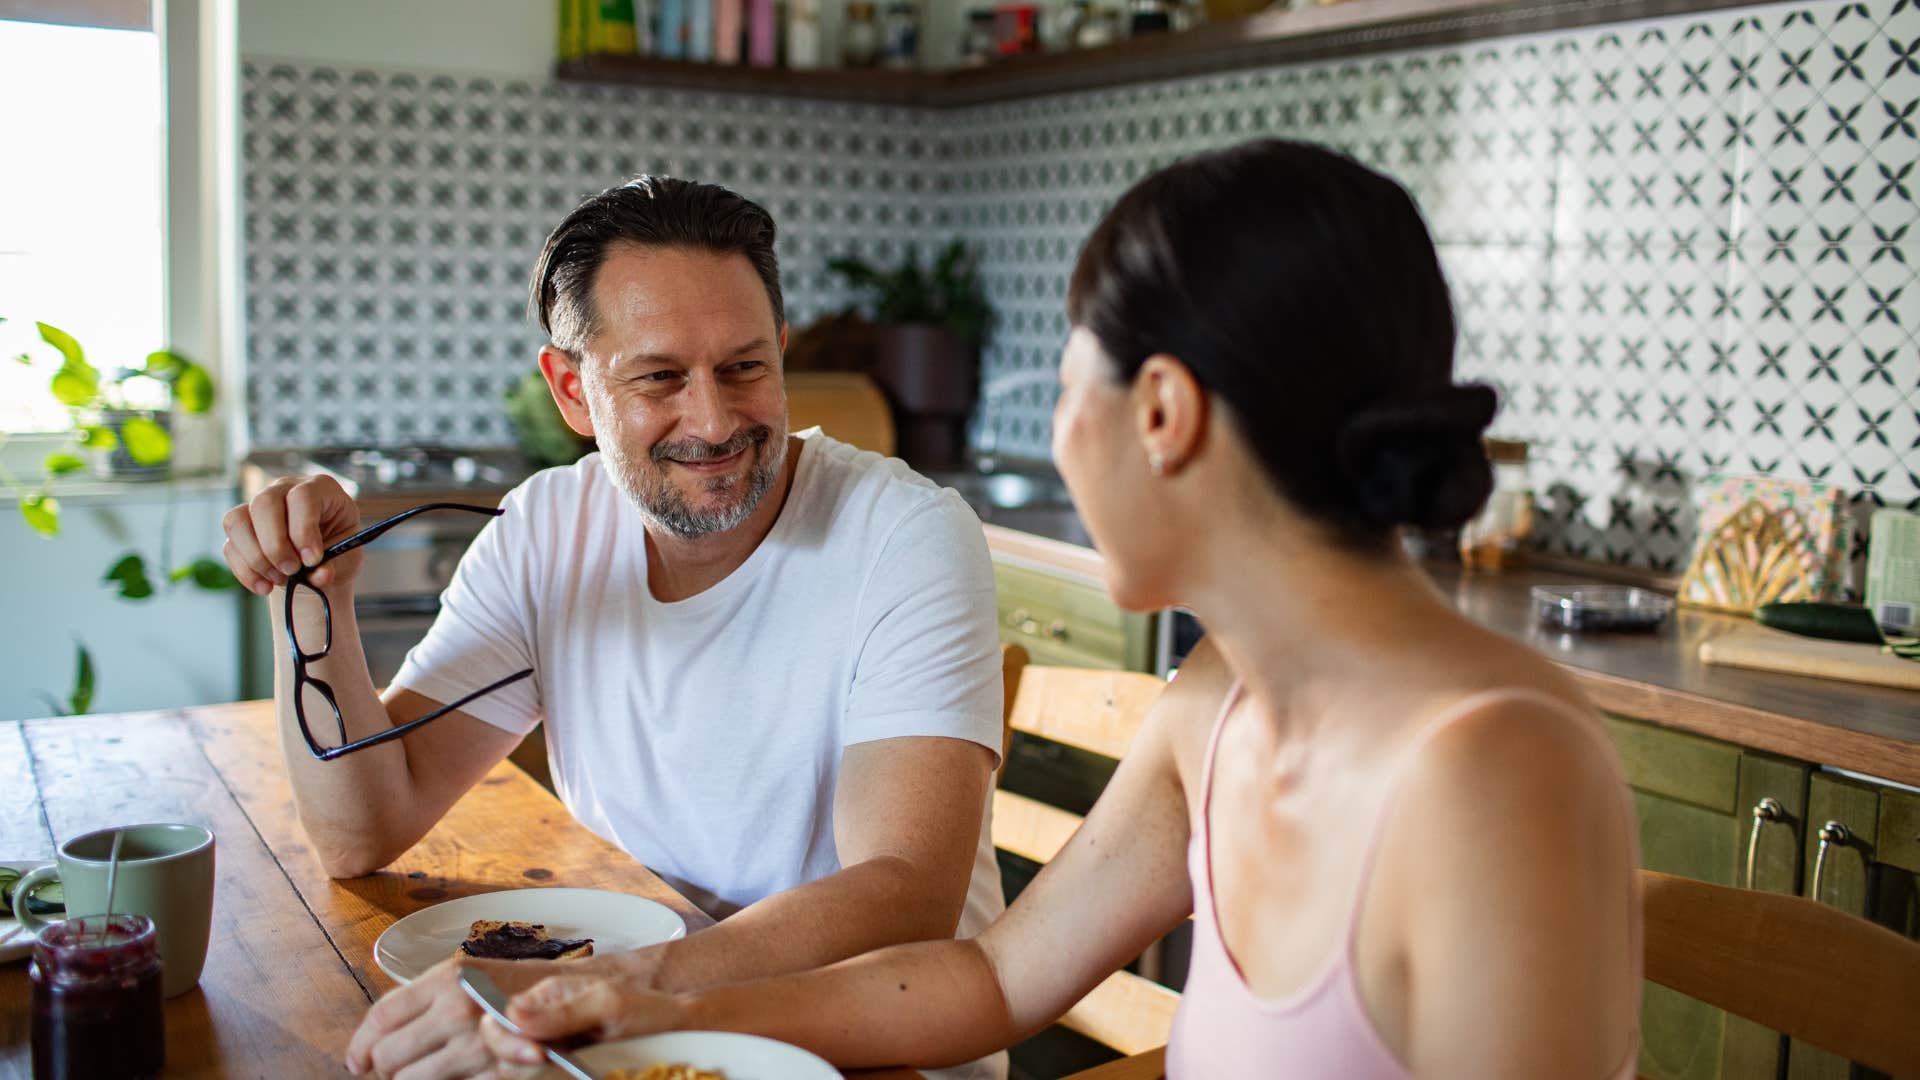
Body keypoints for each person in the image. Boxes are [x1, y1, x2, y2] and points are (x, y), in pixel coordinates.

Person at [474, 139, 1643, 1079]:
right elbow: (992, 983)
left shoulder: (1493, 770)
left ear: (1165, 413)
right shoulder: (1221, 700)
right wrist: (643, 1005)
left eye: (1070, 381)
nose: (1054, 433)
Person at [218, 177, 1009, 1080]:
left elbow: (909, 894)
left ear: (783, 354)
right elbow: (362, 826)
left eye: (745, 367)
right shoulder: (545, 529)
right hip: (627, 1035)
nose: (713, 420)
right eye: (660, 378)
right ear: (572, 392)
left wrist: (605, 991)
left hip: (866, 1052)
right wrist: (308, 598)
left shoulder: (904, 536)